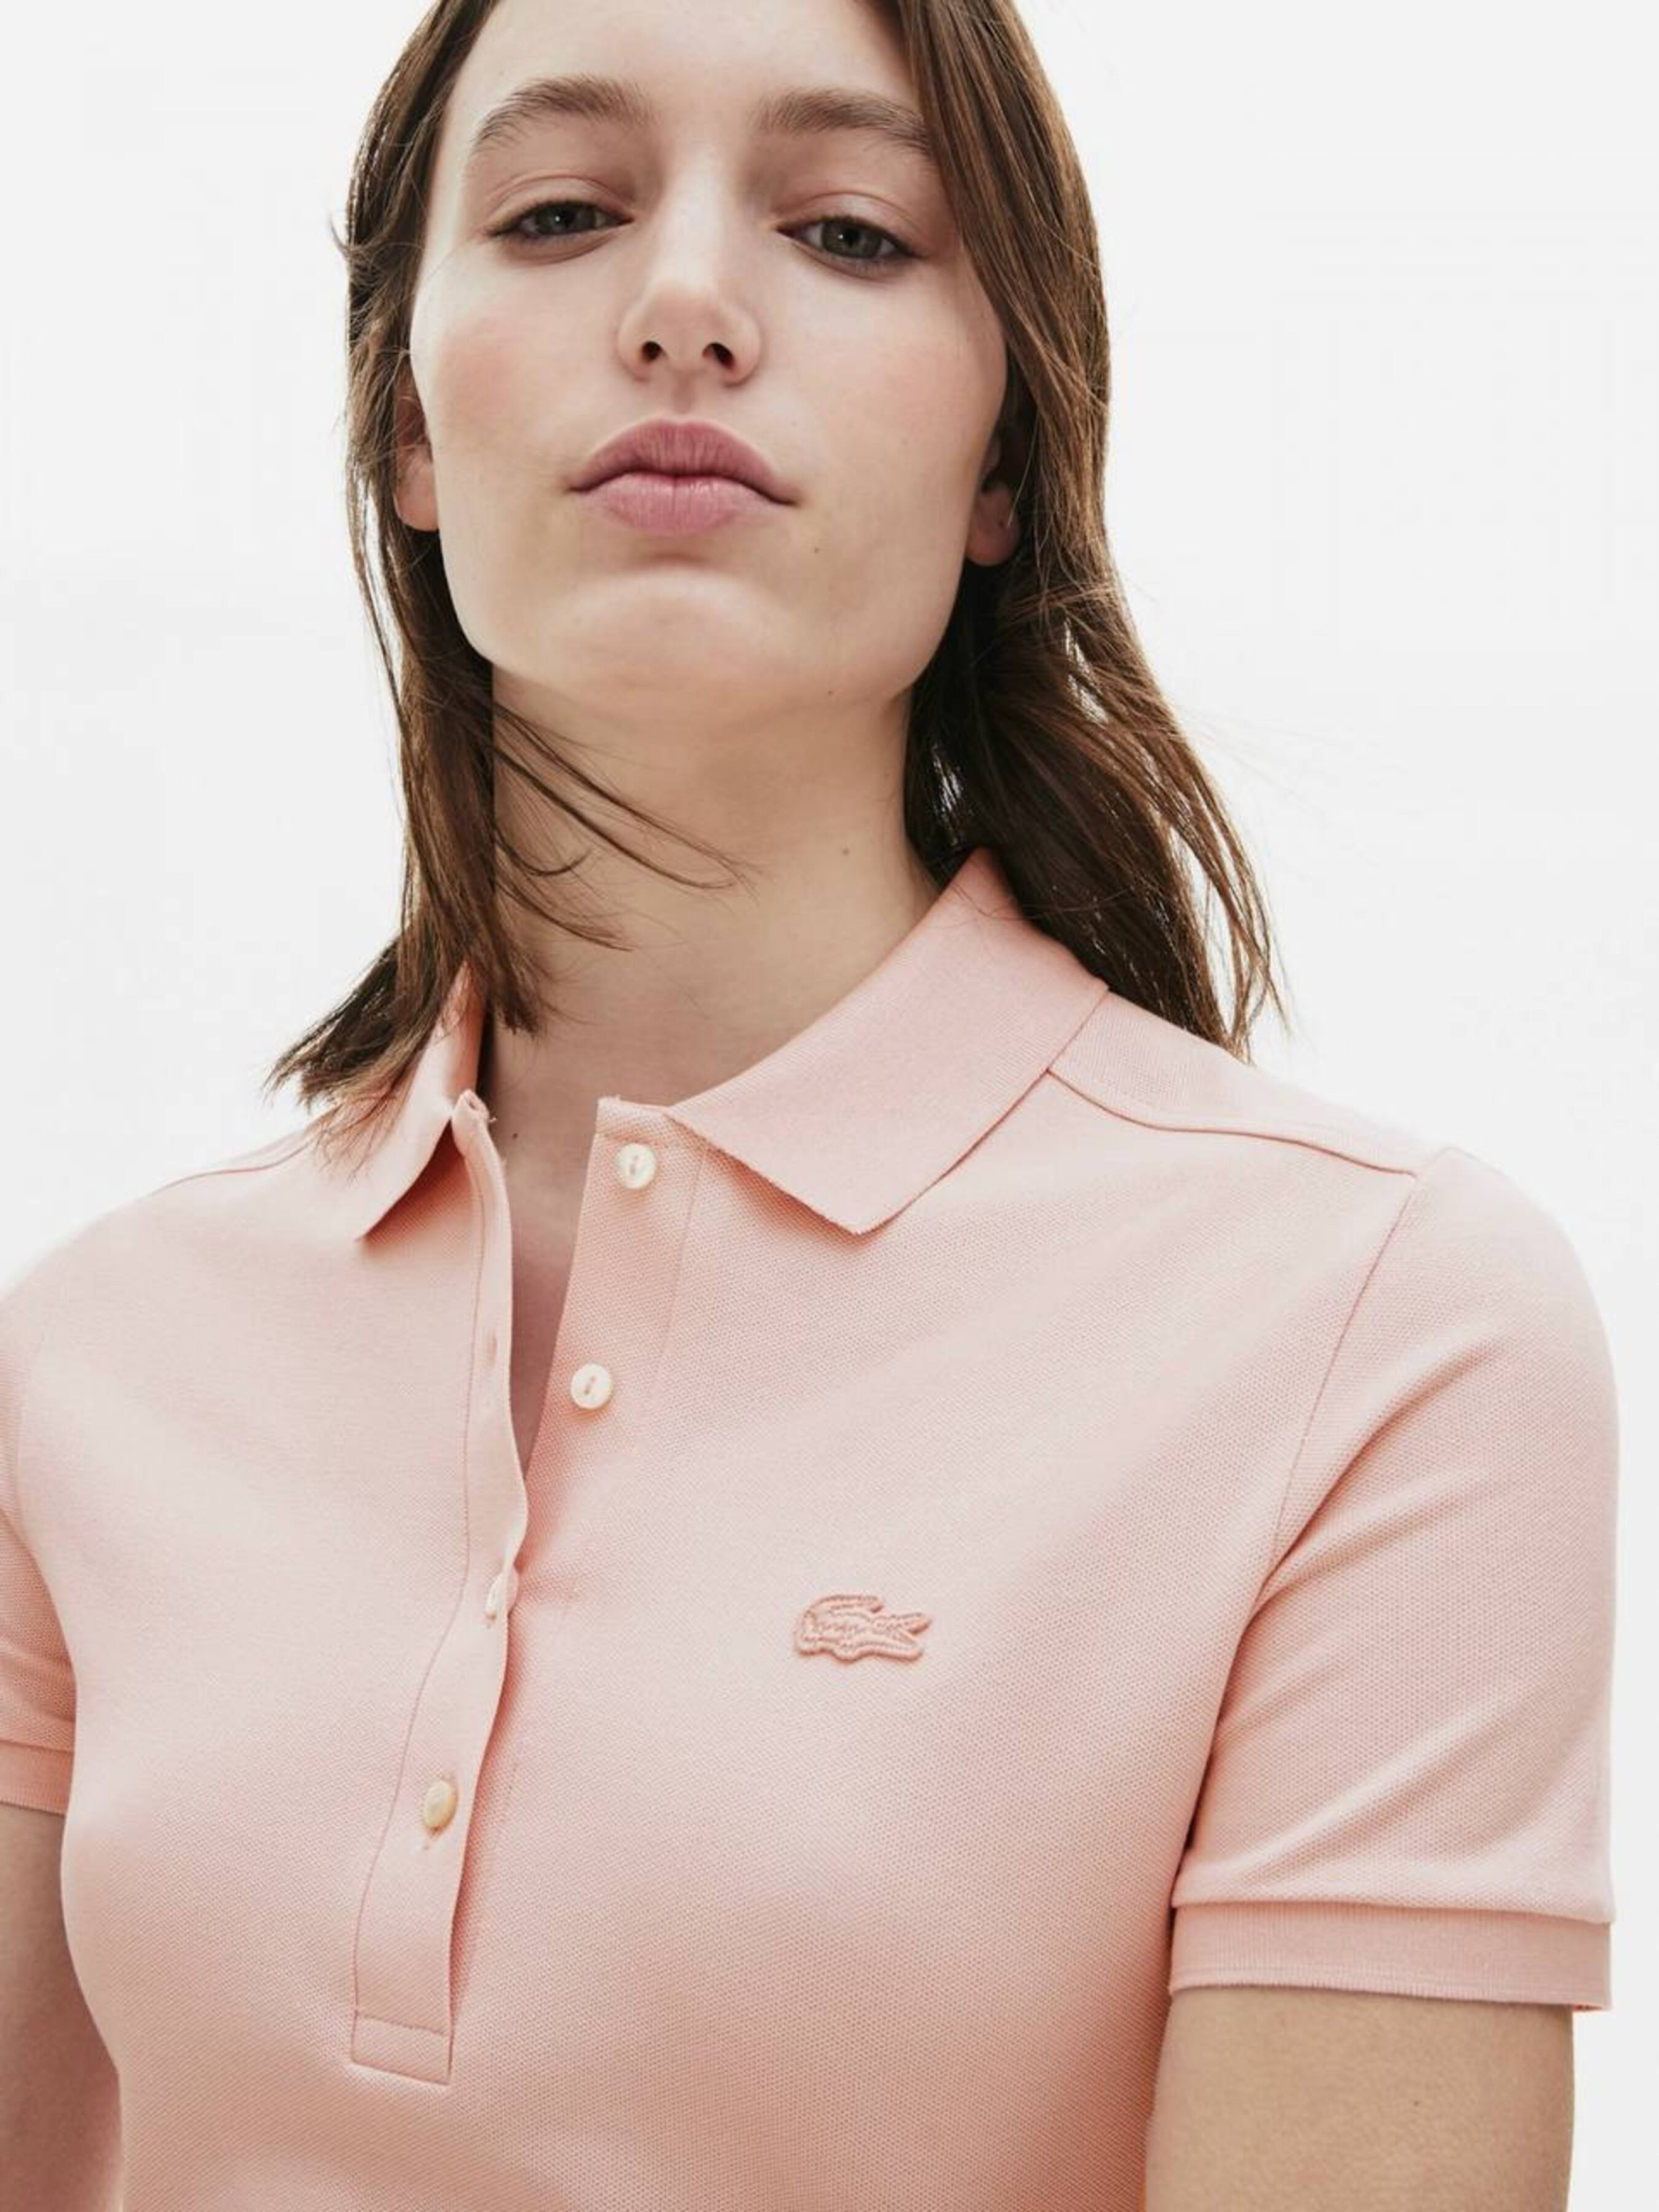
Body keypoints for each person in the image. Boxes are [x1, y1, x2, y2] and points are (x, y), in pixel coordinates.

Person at [0, 0, 1616, 2206]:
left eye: (850, 231)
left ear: (1006, 462)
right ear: (403, 419)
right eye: (558, 213)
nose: (684, 305)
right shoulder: (89, 1361)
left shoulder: (1380, 1328)